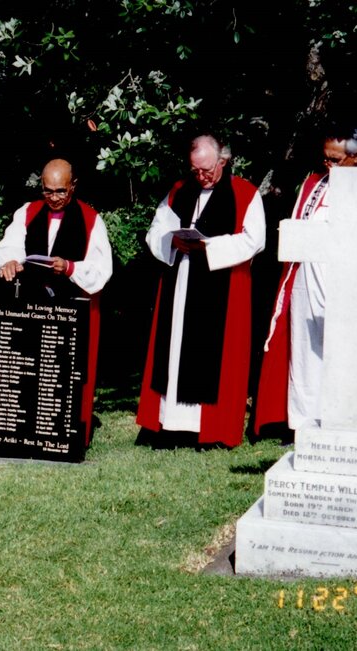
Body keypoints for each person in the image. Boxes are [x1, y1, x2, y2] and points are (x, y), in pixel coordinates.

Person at [254, 127, 357, 436]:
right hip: (307, 279)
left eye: (335, 160)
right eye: (325, 159)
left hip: (348, 281)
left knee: (346, 351)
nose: (328, 165)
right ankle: (303, 423)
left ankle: (348, 419)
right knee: (305, 351)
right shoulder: (313, 185)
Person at [136, 135, 266, 448]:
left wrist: (208, 247)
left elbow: (255, 240)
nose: (201, 177)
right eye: (195, 171)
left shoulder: (244, 193)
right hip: (180, 282)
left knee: (210, 355)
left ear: (223, 161)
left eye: (207, 170)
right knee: (175, 348)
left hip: (220, 286)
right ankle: (171, 424)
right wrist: (171, 240)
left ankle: (206, 429)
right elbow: (156, 229)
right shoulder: (180, 190)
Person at [0, 158, 113, 445]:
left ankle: (67, 435)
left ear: (73, 186)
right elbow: (8, 247)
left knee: (68, 373)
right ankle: (26, 432)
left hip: (71, 304)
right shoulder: (28, 212)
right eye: (48, 191)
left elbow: (102, 270)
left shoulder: (91, 220)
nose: (54, 198)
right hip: (33, 302)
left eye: (61, 191)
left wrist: (69, 267)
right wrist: (10, 261)